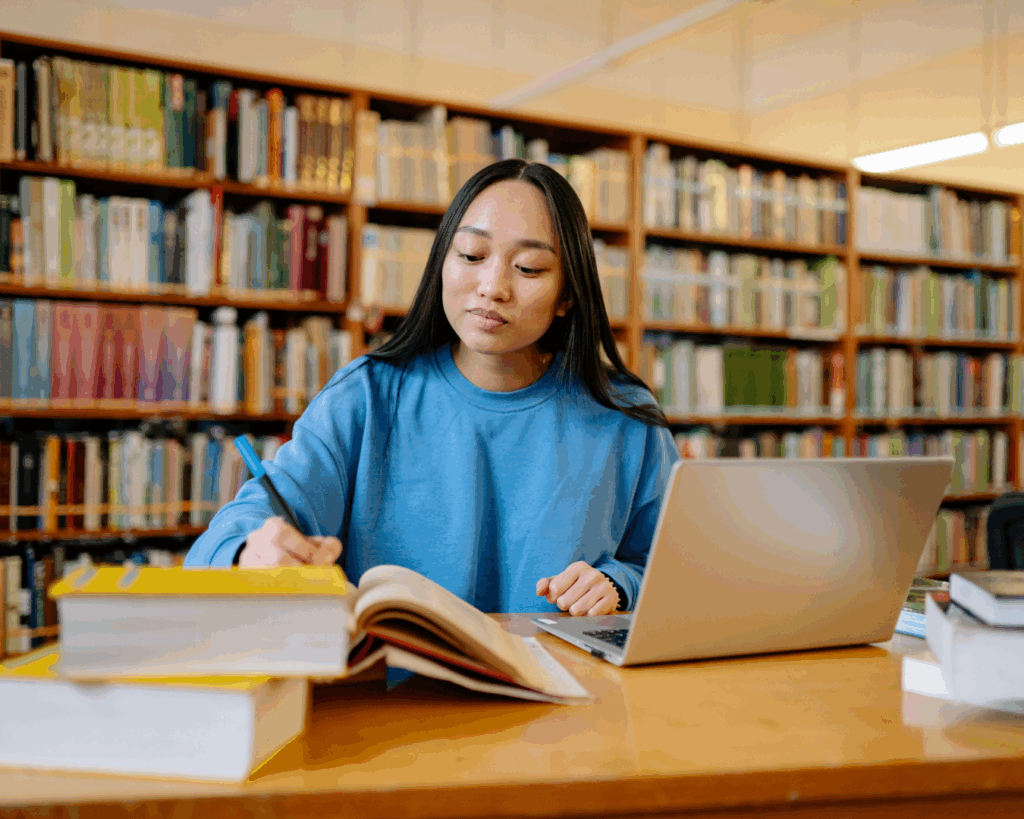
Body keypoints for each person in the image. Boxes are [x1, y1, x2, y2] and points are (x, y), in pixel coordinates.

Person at [185, 158, 679, 616]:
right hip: (393, 697)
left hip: (569, 699)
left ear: (569, 294)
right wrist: (249, 552)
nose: (492, 286)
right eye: (470, 254)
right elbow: (232, 533)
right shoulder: (367, 397)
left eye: (527, 268)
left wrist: (619, 585)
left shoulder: (625, 417)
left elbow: (678, 573)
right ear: (442, 260)